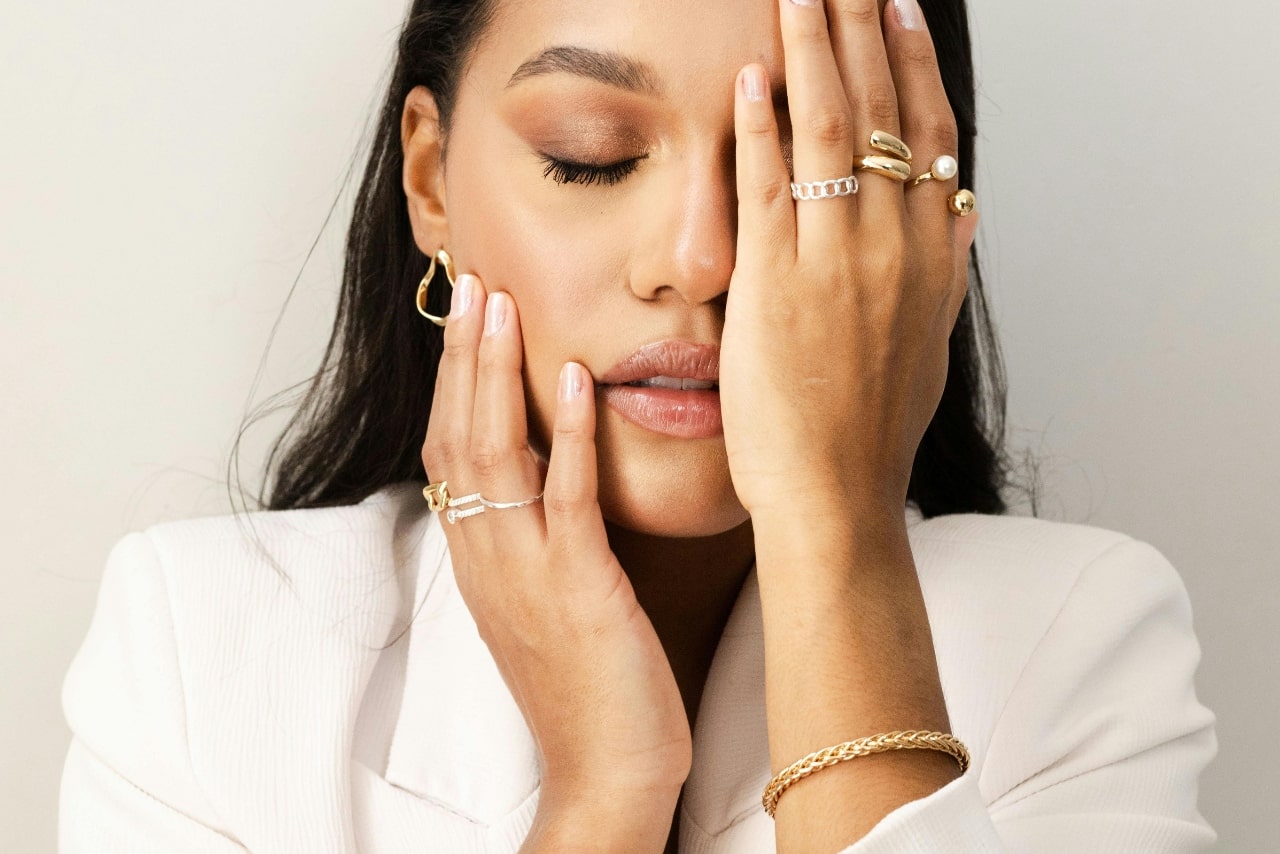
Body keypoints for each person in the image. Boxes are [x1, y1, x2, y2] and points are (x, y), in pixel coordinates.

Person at [58, 0, 1218, 851]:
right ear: (429, 182)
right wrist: (604, 786)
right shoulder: (206, 651)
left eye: (794, 173)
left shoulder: (1074, 636)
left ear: (917, 220)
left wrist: (834, 523)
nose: (698, 259)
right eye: (589, 158)